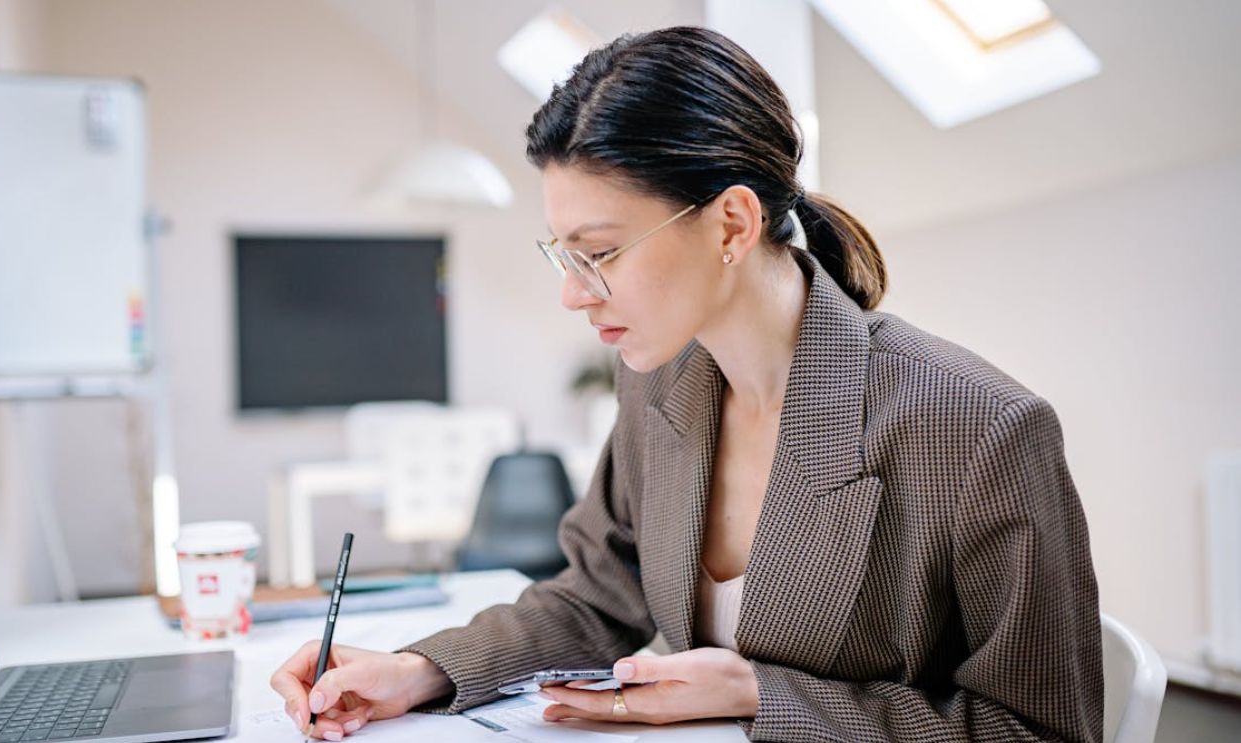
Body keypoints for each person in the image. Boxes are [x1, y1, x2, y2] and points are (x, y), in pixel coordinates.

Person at [271, 26, 1104, 742]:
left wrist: (762, 695)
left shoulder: (976, 426)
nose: (572, 292)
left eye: (598, 253)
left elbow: (1034, 727)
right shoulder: (659, 381)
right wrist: (420, 669)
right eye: (562, 254)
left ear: (732, 224)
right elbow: (599, 596)